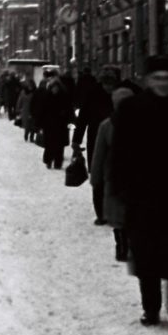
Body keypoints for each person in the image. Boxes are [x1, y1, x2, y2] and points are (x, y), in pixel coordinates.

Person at [111, 55, 168, 326]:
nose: (163, 83)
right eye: (157, 78)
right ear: (148, 80)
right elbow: (119, 152)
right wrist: (120, 187)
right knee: (146, 254)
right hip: (142, 196)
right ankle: (151, 308)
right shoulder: (131, 109)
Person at [91, 86, 135, 263]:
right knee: (122, 217)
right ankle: (124, 246)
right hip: (119, 178)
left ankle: (123, 246)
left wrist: (96, 178)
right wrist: (96, 177)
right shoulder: (108, 126)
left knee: (122, 217)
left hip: (123, 178)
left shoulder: (107, 125)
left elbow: (99, 155)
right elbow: (99, 154)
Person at [73, 68, 117, 224]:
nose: (108, 87)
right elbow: (83, 118)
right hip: (96, 140)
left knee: (113, 175)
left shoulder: (119, 94)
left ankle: (112, 210)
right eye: (106, 83)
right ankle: (100, 213)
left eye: (111, 84)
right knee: (97, 175)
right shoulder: (93, 94)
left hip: (115, 141)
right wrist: (76, 140)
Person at [16, 79, 38, 144]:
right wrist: (18, 108)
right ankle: (26, 135)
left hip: (34, 109)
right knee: (27, 124)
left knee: (33, 124)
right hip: (25, 110)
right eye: (29, 85)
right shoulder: (23, 91)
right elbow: (20, 100)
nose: (30, 86)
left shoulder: (35, 91)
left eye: (31, 85)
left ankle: (31, 137)